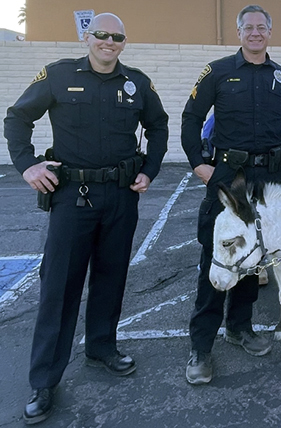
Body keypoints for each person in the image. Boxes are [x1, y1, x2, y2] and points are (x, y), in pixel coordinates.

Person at [3, 12, 168, 425]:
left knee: (111, 277)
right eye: (101, 35)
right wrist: (27, 167)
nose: (108, 42)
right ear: (87, 36)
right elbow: (17, 118)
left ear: (124, 43)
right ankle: (44, 380)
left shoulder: (136, 84)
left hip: (121, 195)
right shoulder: (58, 76)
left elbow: (159, 126)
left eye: (116, 37)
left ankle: (101, 347)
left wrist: (150, 168)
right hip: (71, 198)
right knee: (59, 286)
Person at [181, 4, 281, 385]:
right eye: (248, 28)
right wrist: (198, 164)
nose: (255, 33)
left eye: (262, 27)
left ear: (270, 32)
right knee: (219, 252)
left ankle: (240, 328)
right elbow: (191, 118)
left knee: (255, 256)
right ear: (239, 33)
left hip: (267, 181)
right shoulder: (218, 72)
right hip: (229, 178)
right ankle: (201, 347)